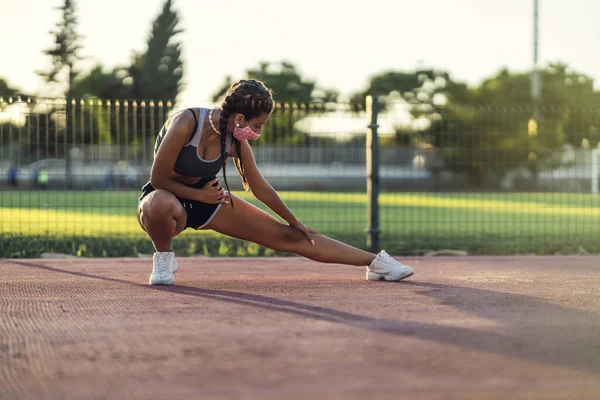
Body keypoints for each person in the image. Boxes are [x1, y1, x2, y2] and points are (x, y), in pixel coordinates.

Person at [137, 79, 414, 285]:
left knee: (290, 237)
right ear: (240, 118)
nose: (258, 132)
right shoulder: (188, 122)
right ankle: (164, 259)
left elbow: (260, 188)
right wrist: (200, 197)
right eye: (258, 125)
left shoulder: (236, 141)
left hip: (208, 199)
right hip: (167, 196)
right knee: (158, 204)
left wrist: (295, 223)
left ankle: (375, 263)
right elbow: (158, 179)